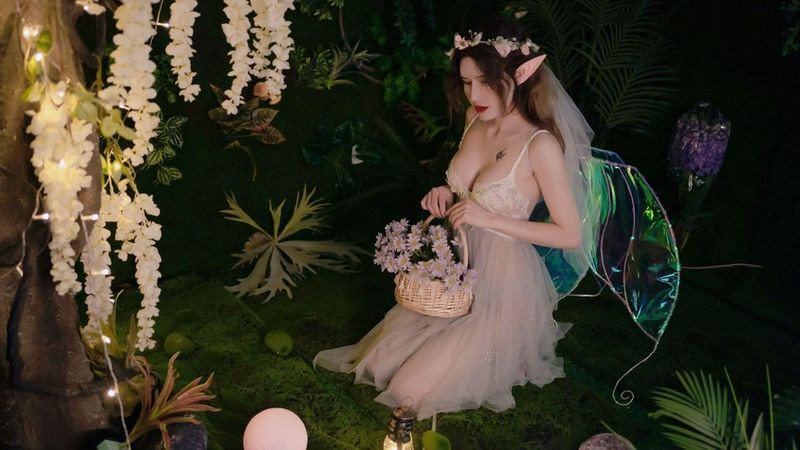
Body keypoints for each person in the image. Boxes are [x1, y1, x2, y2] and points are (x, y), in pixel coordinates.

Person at [313, 20, 596, 425]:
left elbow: (569, 234)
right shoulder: (473, 118)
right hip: (454, 272)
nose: (474, 95)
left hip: (501, 285)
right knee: (378, 364)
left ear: (520, 76)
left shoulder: (540, 144)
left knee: (407, 389)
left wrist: (490, 218)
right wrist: (446, 192)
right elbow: (468, 187)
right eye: (466, 83)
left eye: (486, 83)